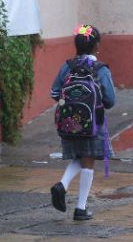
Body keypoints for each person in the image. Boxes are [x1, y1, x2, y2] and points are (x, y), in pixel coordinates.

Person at [49, 24, 116, 221]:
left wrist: (71, 103)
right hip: (94, 122)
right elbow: (110, 100)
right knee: (88, 160)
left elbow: (54, 92)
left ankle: (63, 186)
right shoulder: (100, 69)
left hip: (70, 122)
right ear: (96, 46)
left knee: (79, 157)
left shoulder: (67, 66)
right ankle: (80, 208)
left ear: (76, 45)